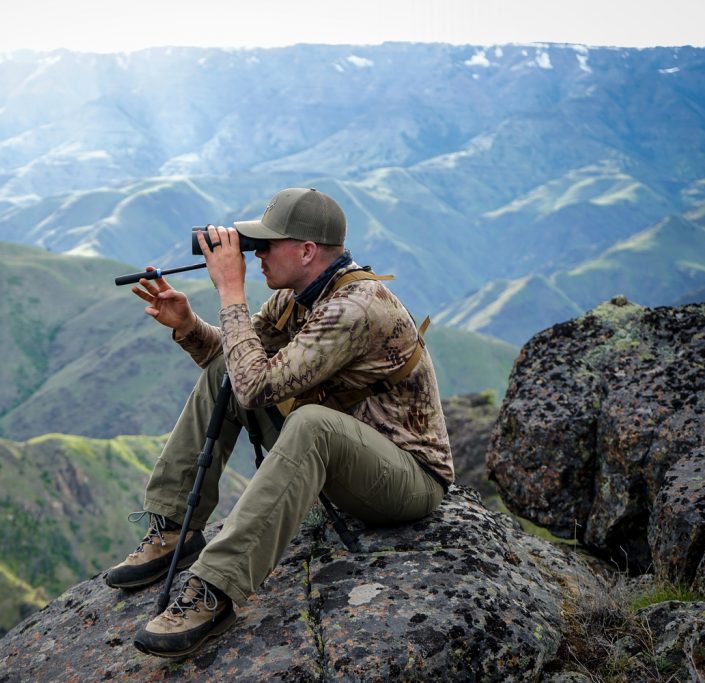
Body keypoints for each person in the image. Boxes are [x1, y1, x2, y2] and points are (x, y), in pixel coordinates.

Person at [105, 187, 453, 658]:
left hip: (407, 481)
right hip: (344, 464)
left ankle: (214, 588)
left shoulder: (355, 307)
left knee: (311, 422)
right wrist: (188, 326)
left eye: (266, 245)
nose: (258, 254)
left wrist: (230, 289)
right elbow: (239, 367)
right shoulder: (298, 298)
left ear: (307, 251)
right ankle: (173, 529)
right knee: (229, 373)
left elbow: (256, 388)